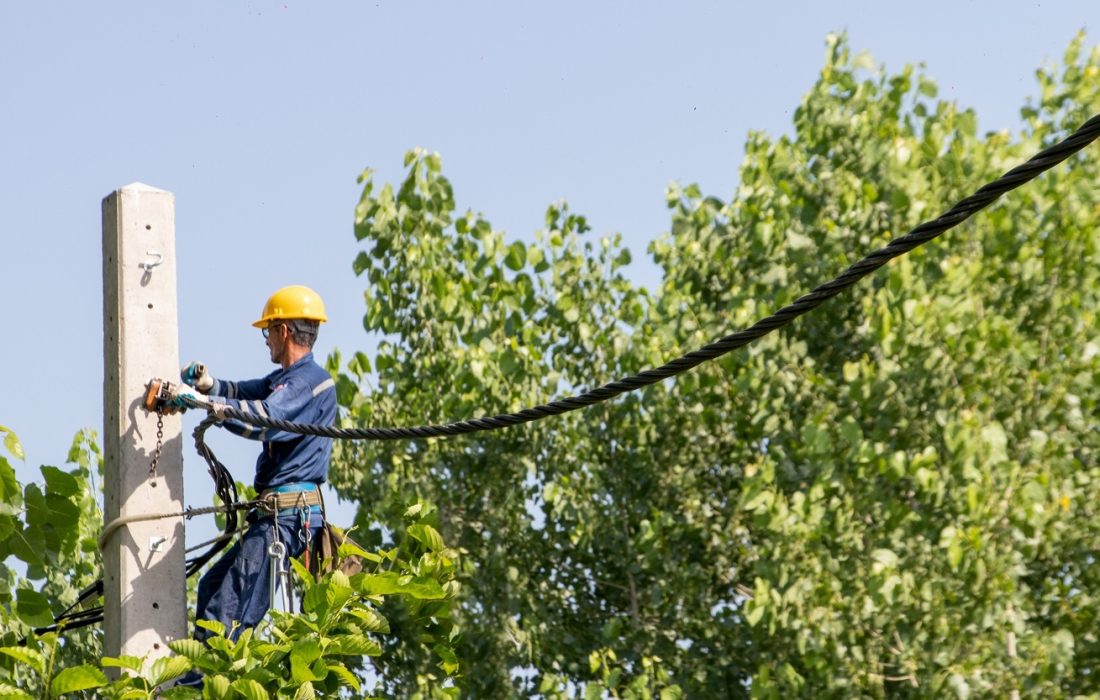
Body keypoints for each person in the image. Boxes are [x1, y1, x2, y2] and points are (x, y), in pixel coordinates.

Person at [172, 285, 336, 685]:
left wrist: (204, 405)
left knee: (229, 605)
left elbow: (263, 419)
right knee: (213, 588)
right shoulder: (290, 379)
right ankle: (203, 680)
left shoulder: (308, 384)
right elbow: (249, 393)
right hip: (275, 515)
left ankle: (201, 689)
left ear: (283, 330)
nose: (266, 342)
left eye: (268, 333)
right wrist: (210, 386)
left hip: (287, 517)